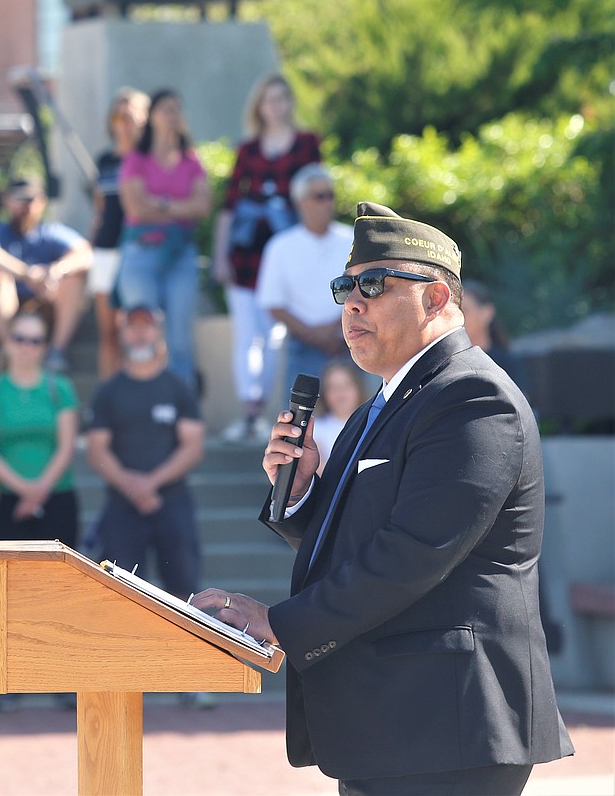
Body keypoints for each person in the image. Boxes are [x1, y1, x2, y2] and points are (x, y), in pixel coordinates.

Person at [192, 202, 574, 793]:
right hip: (397, 725)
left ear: (438, 298)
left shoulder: (472, 398)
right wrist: (301, 497)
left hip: (448, 728)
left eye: (373, 284)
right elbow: (364, 535)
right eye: (345, 285)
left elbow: (414, 550)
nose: (351, 302)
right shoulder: (385, 402)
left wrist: (278, 623)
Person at [83, 306, 212, 708]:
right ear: (123, 335)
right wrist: (132, 486)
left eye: (146, 328)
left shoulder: (177, 387)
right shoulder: (109, 391)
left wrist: (151, 483)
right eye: (133, 329)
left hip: (171, 502)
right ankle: (123, 678)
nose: (140, 336)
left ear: (158, 335)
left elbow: (193, 445)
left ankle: (191, 679)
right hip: (122, 507)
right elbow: (97, 449)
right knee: (120, 593)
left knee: (185, 588)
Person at [212, 74, 322, 440]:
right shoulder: (248, 149)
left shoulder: (307, 144)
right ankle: (250, 414)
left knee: (278, 337)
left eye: (280, 98)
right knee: (247, 337)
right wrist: (220, 255)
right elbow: (228, 207)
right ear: (258, 106)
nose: (274, 106)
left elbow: (314, 195)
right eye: (267, 99)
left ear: (290, 102)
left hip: (288, 259)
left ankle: (279, 417)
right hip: (246, 257)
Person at [117, 89, 213, 390]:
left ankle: (182, 406)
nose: (173, 115)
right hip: (141, 253)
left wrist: (159, 204)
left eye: (177, 109)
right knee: (141, 331)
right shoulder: (137, 159)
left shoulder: (190, 160)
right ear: (152, 116)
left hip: (181, 255)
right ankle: (142, 402)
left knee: (180, 337)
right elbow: (135, 208)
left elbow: (203, 207)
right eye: (166, 108)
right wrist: (178, 209)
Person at [0, 177, 93, 373]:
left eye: (31, 199)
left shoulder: (51, 232)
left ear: (42, 202)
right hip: (9, 311)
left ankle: (57, 351)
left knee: (75, 279)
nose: (26, 205)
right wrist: (25, 274)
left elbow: (85, 254)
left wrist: (56, 271)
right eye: (19, 199)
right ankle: (9, 349)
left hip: (45, 308)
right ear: (7, 201)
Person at [0, 311, 80, 549]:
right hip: (6, 501)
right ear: (7, 341)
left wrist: (38, 491)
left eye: (35, 340)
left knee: (58, 583)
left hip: (57, 497)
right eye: (19, 338)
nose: (27, 346)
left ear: (45, 347)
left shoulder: (60, 388)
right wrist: (24, 490)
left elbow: (66, 447)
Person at [256, 164, 354, 404]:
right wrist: (315, 335)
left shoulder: (353, 239)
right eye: (320, 196)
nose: (327, 202)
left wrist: (335, 330)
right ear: (300, 201)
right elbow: (273, 304)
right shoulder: (280, 247)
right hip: (302, 346)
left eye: (330, 195)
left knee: (363, 425)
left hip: (351, 341)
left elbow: (365, 291)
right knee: (296, 425)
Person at [89, 87, 149, 379]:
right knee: (108, 333)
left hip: (140, 249)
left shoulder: (150, 160)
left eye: (130, 115)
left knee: (137, 330)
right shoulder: (105, 161)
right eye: (118, 115)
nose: (124, 122)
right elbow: (100, 209)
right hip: (106, 249)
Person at [462, 280, 529, 392]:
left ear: (486, 313)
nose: (460, 318)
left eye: (465, 311)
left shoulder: (507, 363)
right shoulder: (450, 363)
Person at [309, 360, 367, 471]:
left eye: (346, 385)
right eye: (333, 387)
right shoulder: (316, 427)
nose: (340, 392)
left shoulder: (371, 423)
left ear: (359, 388)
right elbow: (318, 469)